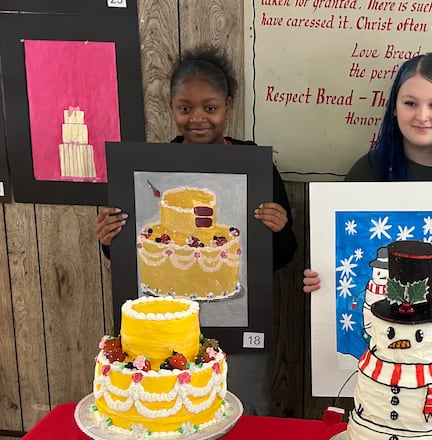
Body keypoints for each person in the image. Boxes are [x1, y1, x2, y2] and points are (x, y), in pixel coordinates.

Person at [302, 52, 432, 413]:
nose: (422, 116)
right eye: (410, 103)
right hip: (377, 357)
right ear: (394, 107)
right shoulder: (368, 170)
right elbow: (342, 249)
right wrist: (319, 276)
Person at [95, 46, 297, 415]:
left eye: (210, 107)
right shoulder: (148, 171)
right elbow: (133, 261)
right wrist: (111, 240)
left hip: (239, 332)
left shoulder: (256, 168)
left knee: (246, 413)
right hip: (168, 334)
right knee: (178, 415)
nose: (198, 118)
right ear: (171, 108)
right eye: (185, 108)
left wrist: (280, 229)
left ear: (228, 106)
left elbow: (284, 257)